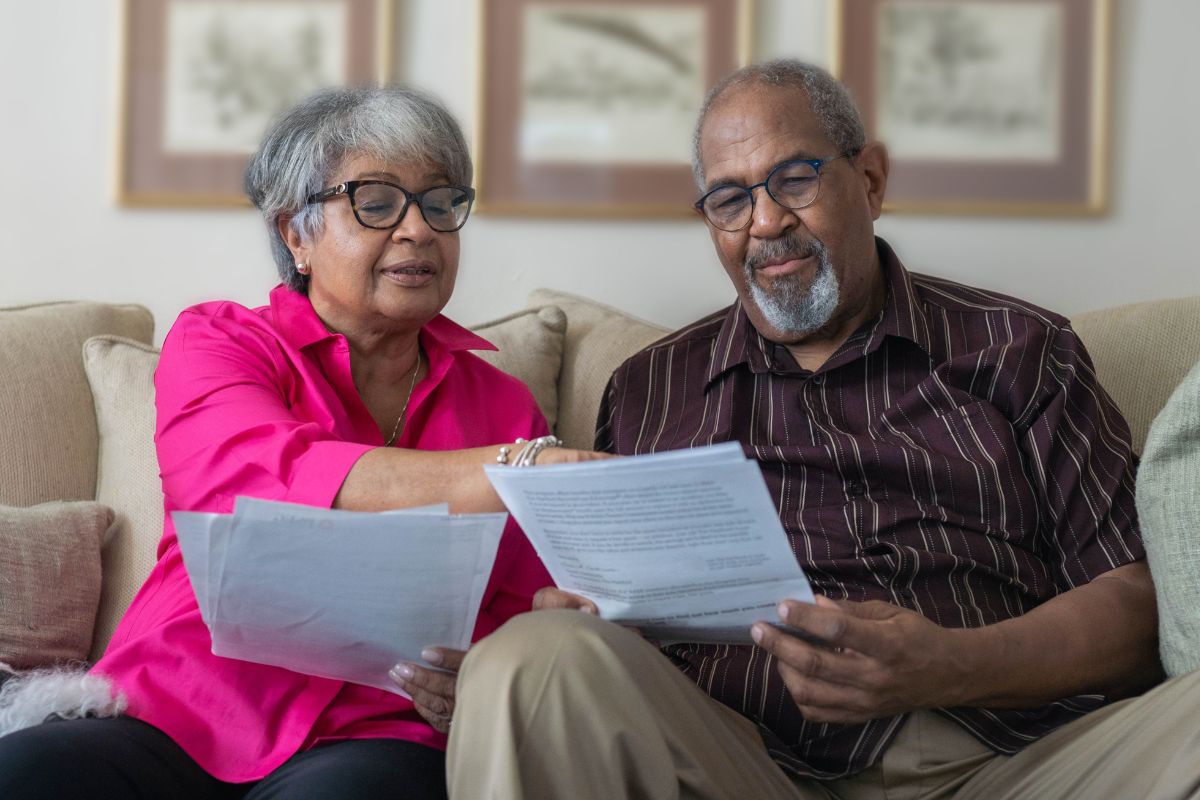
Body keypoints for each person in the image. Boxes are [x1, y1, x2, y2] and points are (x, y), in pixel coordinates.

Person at [444, 60, 1200, 798]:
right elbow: (609, 615)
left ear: (870, 180)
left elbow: (1132, 600)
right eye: (730, 199)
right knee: (531, 659)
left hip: (1011, 760)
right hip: (743, 761)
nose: (766, 222)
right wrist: (587, 625)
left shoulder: (1022, 350)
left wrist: (950, 664)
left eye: (795, 179)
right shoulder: (650, 389)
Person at [0, 85, 603, 799]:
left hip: (382, 724)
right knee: (32, 772)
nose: (419, 231)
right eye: (377, 202)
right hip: (179, 707)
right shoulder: (220, 342)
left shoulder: (503, 405)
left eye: (441, 202)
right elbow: (258, 482)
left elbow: (530, 597)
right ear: (296, 234)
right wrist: (513, 467)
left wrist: (488, 663)